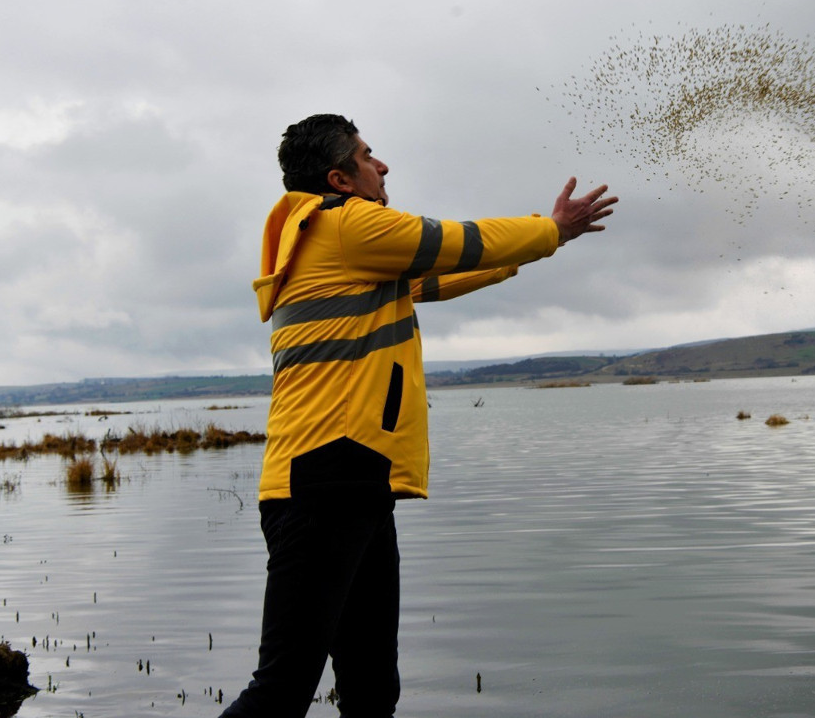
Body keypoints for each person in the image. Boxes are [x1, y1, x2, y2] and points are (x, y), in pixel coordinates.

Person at [220, 114, 616, 717]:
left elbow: (445, 272)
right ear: (340, 179)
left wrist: (545, 244)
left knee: (374, 687)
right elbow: (454, 240)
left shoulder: (352, 251)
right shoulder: (348, 226)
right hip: (322, 478)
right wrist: (550, 229)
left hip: (357, 479)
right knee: (283, 687)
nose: (382, 166)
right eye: (368, 156)